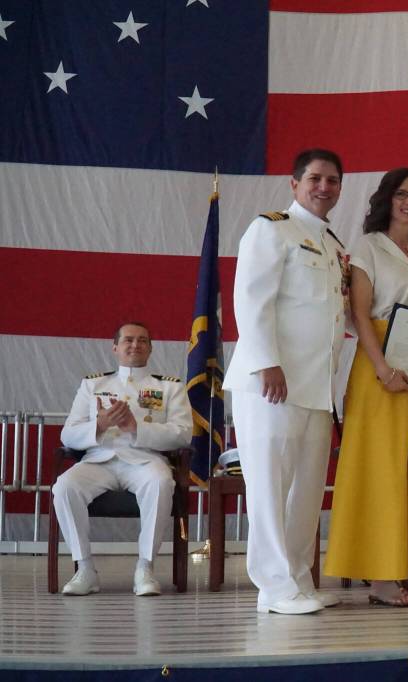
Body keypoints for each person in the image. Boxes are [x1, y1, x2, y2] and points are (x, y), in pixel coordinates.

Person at [223, 148, 348, 614]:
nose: (324, 187)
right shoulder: (270, 228)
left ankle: (297, 579)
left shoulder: (332, 244)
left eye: (333, 180)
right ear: (294, 184)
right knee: (270, 487)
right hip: (271, 384)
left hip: (316, 389)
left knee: (307, 490)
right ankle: (274, 587)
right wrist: (265, 362)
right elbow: (250, 300)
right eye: (315, 178)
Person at [324, 168, 408, 607]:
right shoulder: (367, 246)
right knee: (381, 470)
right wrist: (381, 367)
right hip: (381, 370)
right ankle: (379, 576)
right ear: (386, 199)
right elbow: (361, 314)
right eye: (401, 194)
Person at [54, 322, 191, 596]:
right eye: (128, 340)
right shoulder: (93, 384)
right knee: (64, 487)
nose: (135, 345)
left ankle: (145, 568)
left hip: (145, 460)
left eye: (142, 340)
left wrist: (136, 428)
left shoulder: (169, 387)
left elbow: (182, 435)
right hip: (98, 460)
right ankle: (84, 568)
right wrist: (99, 425)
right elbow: (68, 435)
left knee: (161, 483)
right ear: (115, 347)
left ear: (150, 349)